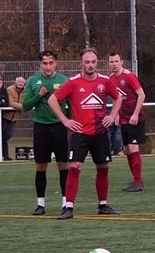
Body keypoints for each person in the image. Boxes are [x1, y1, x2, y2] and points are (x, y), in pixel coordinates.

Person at [48, 49, 121, 220]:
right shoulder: (73, 82)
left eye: (93, 62)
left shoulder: (105, 81)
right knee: (74, 167)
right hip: (79, 132)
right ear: (81, 63)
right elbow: (52, 99)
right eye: (87, 62)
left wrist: (112, 115)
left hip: (100, 132)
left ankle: (103, 205)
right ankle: (68, 207)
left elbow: (118, 98)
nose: (90, 65)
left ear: (97, 63)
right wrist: (65, 120)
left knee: (103, 167)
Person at [23, 52, 71, 214]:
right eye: (45, 63)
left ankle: (66, 203)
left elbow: (71, 104)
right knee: (41, 165)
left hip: (59, 126)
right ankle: (41, 204)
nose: (48, 66)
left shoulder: (64, 80)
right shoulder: (32, 81)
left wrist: (69, 120)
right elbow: (26, 105)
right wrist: (39, 95)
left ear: (56, 63)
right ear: (40, 64)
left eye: (51, 63)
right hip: (41, 127)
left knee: (63, 164)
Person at [107, 53, 147, 191]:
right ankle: (136, 179)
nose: (114, 64)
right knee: (128, 150)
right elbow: (115, 98)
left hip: (135, 118)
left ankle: (138, 182)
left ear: (121, 62)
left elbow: (141, 94)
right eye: (111, 61)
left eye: (116, 61)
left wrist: (135, 114)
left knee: (133, 148)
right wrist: (117, 114)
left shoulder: (129, 76)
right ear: (108, 63)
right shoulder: (110, 79)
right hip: (124, 119)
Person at [3, 76, 25, 160]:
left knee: (9, 135)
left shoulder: (26, 91)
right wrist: (24, 107)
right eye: (19, 81)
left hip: (15, 117)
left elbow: (26, 100)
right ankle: (5, 156)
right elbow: (10, 103)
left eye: (22, 82)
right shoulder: (9, 89)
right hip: (5, 116)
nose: (20, 83)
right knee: (3, 136)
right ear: (15, 82)